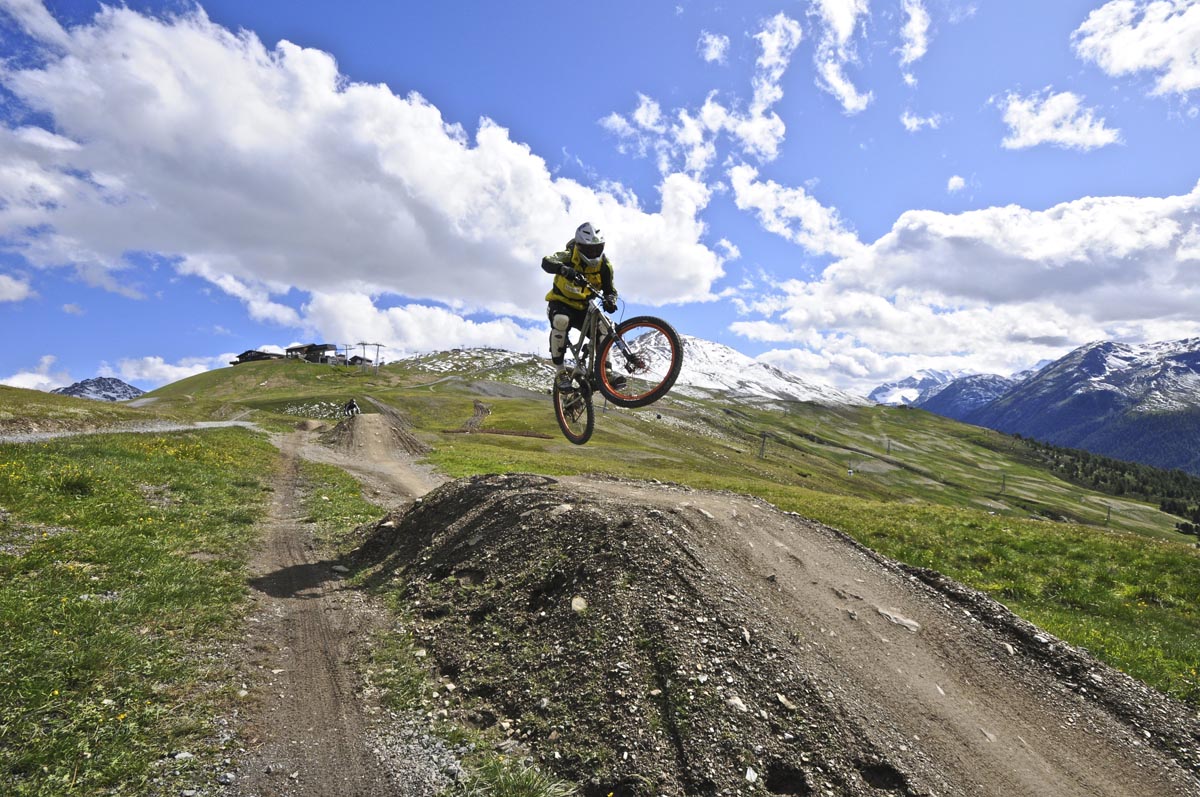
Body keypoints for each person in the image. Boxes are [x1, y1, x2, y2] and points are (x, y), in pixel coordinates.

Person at [541, 222, 620, 390]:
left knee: (606, 326)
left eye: (597, 249)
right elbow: (546, 262)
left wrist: (610, 300)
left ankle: (606, 371)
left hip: (585, 308)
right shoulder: (568, 255)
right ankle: (560, 371)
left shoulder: (605, 266)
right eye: (589, 249)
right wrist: (564, 270)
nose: (593, 253)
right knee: (561, 321)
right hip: (560, 303)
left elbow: (610, 290)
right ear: (579, 246)